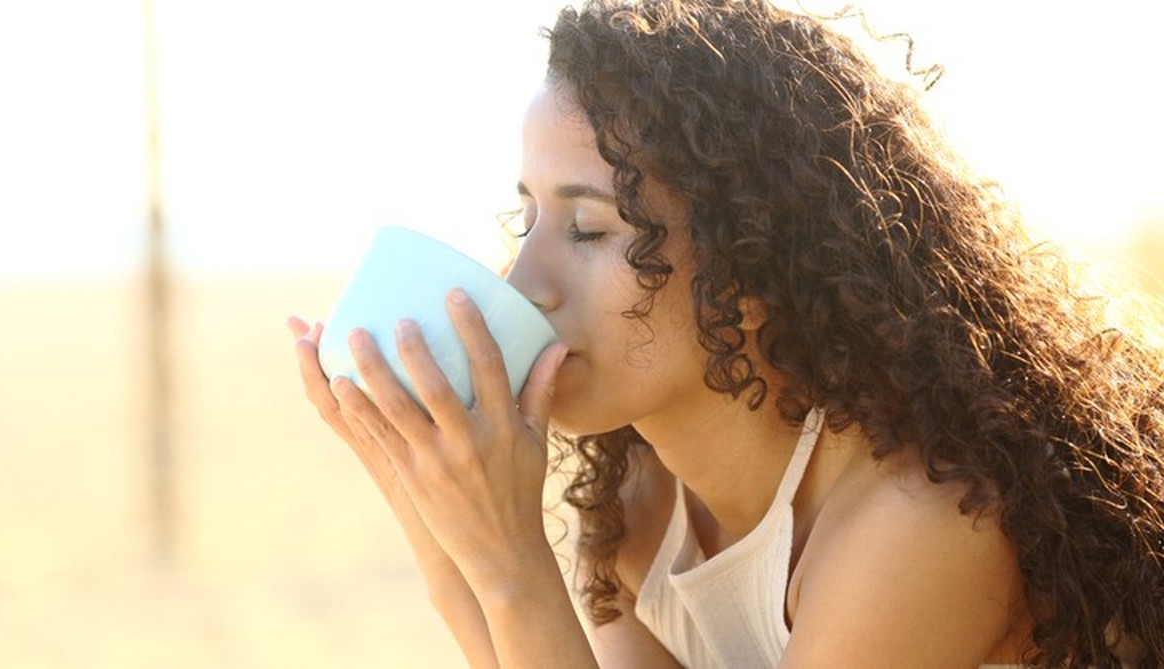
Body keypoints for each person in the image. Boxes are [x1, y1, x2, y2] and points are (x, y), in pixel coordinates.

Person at [288, 0, 1164, 666]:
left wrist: (514, 561)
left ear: (751, 263)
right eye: (529, 220)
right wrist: (439, 521)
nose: (526, 281)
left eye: (589, 229)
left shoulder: (921, 520)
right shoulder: (638, 510)